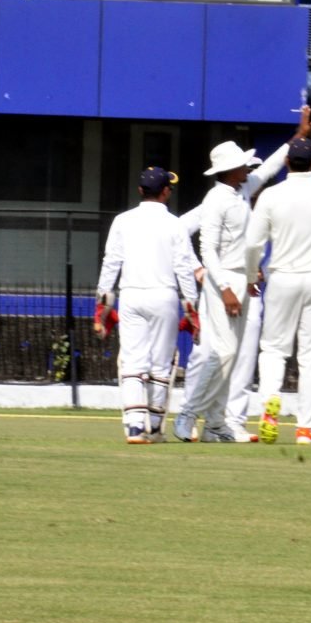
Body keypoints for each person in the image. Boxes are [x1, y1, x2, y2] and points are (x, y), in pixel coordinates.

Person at [174, 109, 310, 443]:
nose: (247, 168)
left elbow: (269, 168)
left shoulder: (242, 189)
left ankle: (215, 424)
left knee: (231, 355)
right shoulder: (215, 200)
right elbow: (208, 250)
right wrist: (224, 288)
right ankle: (189, 413)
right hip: (223, 282)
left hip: (242, 280)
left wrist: (298, 136)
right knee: (224, 352)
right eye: (242, 165)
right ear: (230, 170)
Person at [245, 138, 311, 445]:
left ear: (288, 162)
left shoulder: (271, 195)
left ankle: (270, 402)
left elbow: (252, 243)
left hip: (283, 277)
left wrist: (251, 275)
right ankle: (306, 429)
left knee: (274, 349)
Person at [96, 167, 199, 444]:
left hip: (131, 295)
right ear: (166, 192)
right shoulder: (175, 224)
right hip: (164, 296)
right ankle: (153, 426)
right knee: (160, 364)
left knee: (132, 361)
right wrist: (192, 306)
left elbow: (111, 261)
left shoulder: (122, 220)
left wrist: (103, 299)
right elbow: (184, 267)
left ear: (140, 190)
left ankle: (134, 426)